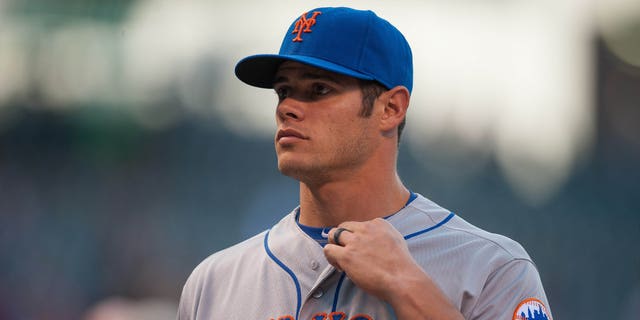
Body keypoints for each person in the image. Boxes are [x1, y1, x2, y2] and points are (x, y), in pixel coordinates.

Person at [178, 7, 552, 320]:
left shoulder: (492, 268)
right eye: (284, 91)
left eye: (319, 89)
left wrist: (406, 285)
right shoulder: (213, 283)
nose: (287, 107)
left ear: (391, 108)